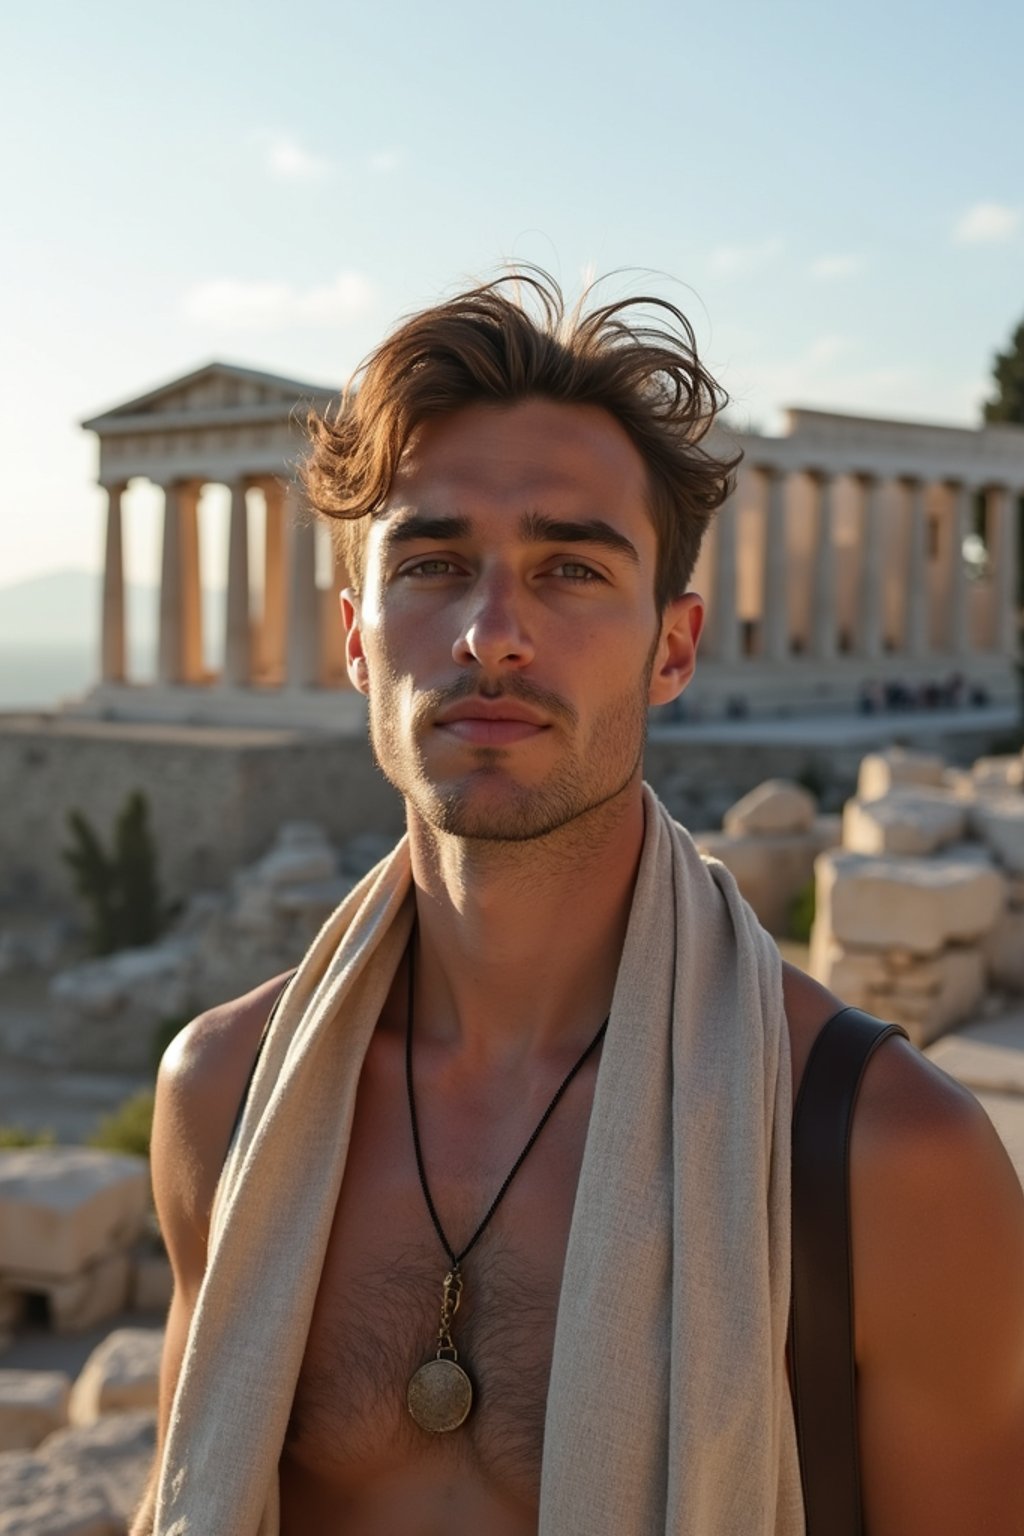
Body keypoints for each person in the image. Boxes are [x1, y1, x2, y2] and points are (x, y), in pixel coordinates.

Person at [133, 271, 1024, 1535]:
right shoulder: (221, 1100)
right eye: (435, 562)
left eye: (570, 570)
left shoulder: (888, 1162)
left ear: (673, 647)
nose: (493, 634)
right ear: (352, 637)